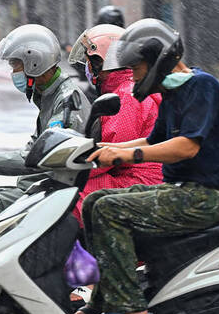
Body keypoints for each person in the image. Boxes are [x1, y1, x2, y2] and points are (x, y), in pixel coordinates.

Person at [80, 18, 219, 314]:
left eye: (137, 68)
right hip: (181, 191)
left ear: (156, 61)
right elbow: (154, 141)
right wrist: (101, 148)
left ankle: (130, 309)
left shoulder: (201, 87)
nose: (135, 75)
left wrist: (127, 153)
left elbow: (186, 147)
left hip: (203, 197)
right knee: (95, 202)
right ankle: (103, 301)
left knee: (109, 209)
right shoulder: (174, 93)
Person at [0, 24, 91, 236]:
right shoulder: (47, 97)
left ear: (34, 63)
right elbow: (33, 148)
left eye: (16, 66)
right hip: (39, 186)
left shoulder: (66, 102)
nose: (13, 73)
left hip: (53, 191)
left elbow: (41, 158)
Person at [67, 23, 163, 224]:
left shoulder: (126, 96)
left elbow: (111, 153)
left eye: (90, 62)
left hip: (138, 179)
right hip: (129, 174)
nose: (87, 67)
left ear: (103, 62)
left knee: (71, 202)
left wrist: (68, 168)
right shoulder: (126, 88)